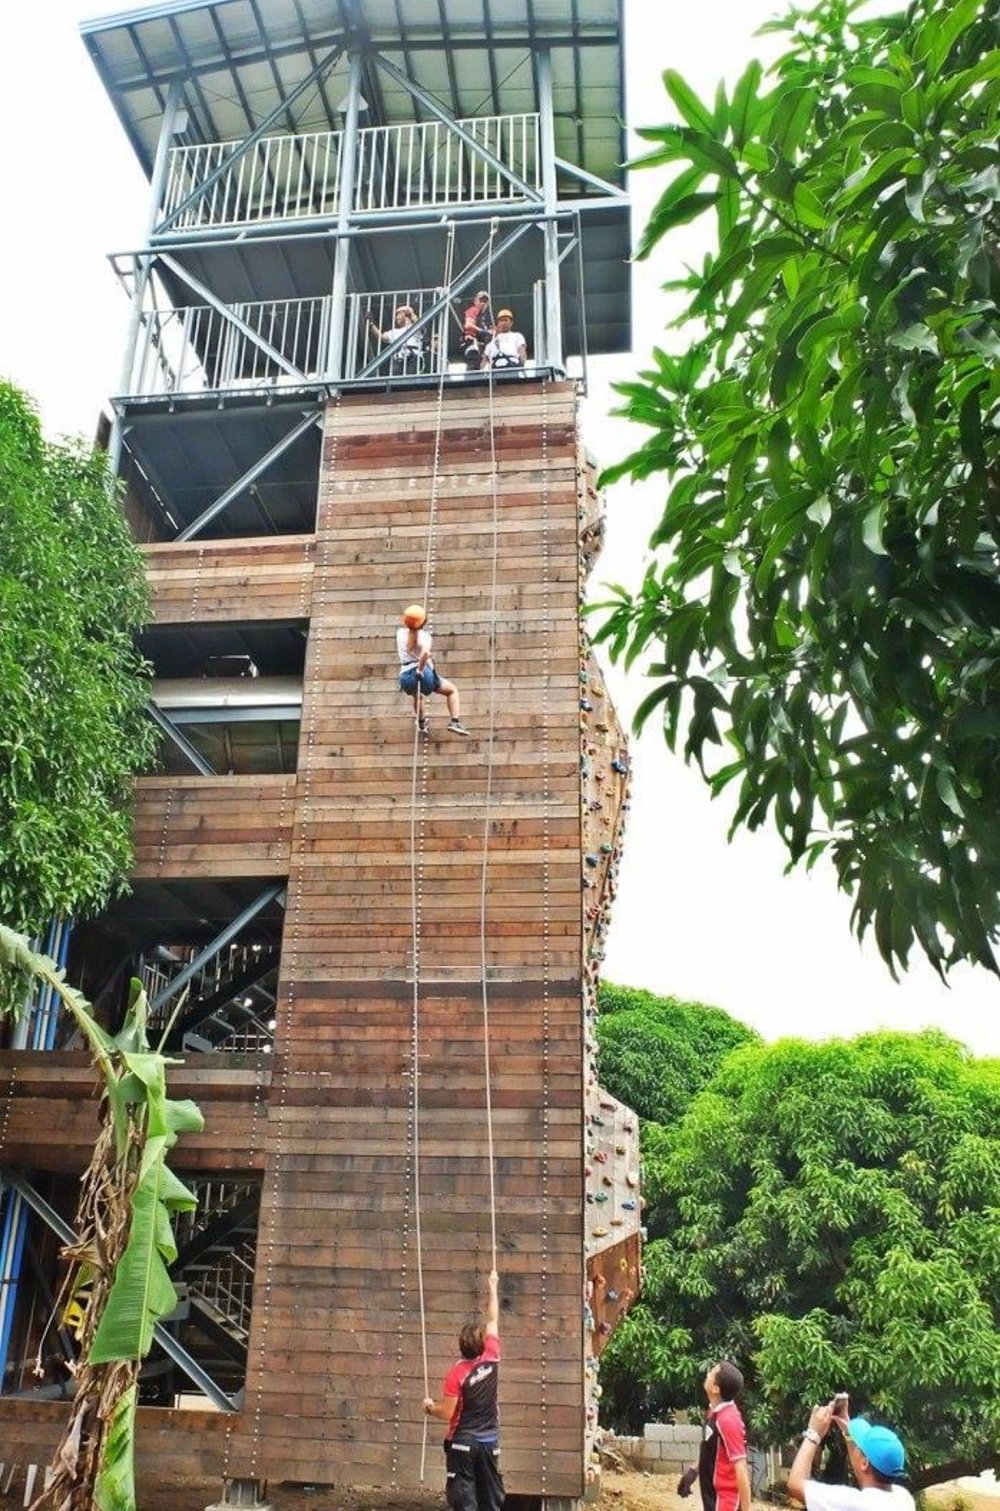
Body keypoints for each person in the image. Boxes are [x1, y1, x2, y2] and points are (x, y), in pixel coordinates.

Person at [424, 1269, 504, 1511]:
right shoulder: (492, 1356)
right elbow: (492, 1319)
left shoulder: (456, 1373)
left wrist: (429, 1408)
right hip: (489, 1442)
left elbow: (447, 1413)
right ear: (482, 1345)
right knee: (491, 1500)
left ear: (461, 1347)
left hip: (463, 1444)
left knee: (464, 1502)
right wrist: (493, 1285)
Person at [788, 1396, 914, 1511]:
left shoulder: (851, 1503)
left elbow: (796, 1484)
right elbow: (861, 1465)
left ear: (865, 1463)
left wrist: (813, 1433)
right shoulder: (903, 1498)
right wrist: (848, 1433)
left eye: (859, 1446)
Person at [396, 603, 468, 736]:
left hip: (405, 677)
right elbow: (425, 654)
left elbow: (412, 639)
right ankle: (455, 721)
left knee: (418, 696)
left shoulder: (399, 633)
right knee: (452, 690)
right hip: (423, 674)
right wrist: (420, 670)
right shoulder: (425, 637)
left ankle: (422, 723)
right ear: (424, 622)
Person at [699, 1361, 751, 1511]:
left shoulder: (727, 1420)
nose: (707, 1374)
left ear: (716, 1388)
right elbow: (713, 1450)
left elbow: (741, 1468)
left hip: (725, 1503)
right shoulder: (714, 1412)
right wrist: (694, 1470)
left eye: (711, 1373)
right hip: (712, 1497)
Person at [369, 304, 424, 374]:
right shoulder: (395, 332)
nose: (396, 317)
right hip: (399, 362)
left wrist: (412, 314)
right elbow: (382, 337)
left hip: (413, 360)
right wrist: (371, 324)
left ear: (406, 315)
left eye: (399, 314)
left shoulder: (416, 328)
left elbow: (421, 326)